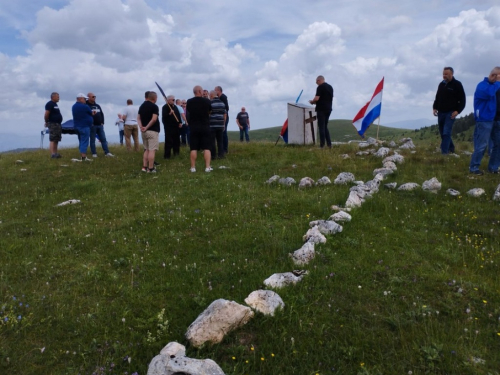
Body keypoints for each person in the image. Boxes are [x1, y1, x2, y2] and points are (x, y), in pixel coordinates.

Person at [469, 67, 500, 175]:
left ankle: (493, 168)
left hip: (496, 119)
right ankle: (473, 168)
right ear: (493, 75)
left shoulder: (496, 86)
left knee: (498, 144)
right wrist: (497, 82)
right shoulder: (482, 86)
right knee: (481, 145)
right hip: (484, 120)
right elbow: (489, 94)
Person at [432, 67, 466, 154]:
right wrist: (434, 107)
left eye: (446, 74)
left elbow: (462, 99)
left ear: (452, 74)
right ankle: (451, 148)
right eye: (443, 74)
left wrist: (458, 111)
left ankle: (444, 153)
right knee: (442, 132)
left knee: (446, 132)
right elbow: (437, 97)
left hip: (450, 113)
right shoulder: (441, 84)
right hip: (441, 112)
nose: (444, 76)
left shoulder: (457, 84)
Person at [186, 85, 213, 172]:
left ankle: (193, 167)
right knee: (207, 147)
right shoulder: (207, 101)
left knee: (193, 148)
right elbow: (210, 111)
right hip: (205, 125)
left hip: (194, 126)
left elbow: (189, 111)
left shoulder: (189, 101)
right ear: (200, 91)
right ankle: (207, 167)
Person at [138, 91, 161, 173]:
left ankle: (144, 167)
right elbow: (154, 119)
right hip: (152, 130)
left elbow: (138, 118)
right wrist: (147, 127)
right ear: (154, 98)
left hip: (144, 132)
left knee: (146, 149)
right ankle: (151, 168)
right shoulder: (154, 107)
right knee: (152, 150)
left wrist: (141, 127)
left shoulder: (142, 106)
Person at [309, 75, 333, 148]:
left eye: (316, 81)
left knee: (321, 127)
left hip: (321, 109)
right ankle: (329, 144)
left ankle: (322, 145)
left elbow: (317, 98)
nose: (316, 83)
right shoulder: (330, 87)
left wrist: (312, 102)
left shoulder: (320, 87)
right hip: (328, 108)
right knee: (325, 126)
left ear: (319, 80)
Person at [87, 92, 114, 157]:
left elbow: (101, 114)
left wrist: (102, 122)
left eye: (95, 96)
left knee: (103, 139)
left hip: (100, 125)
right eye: (92, 97)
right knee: (92, 140)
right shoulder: (87, 106)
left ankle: (107, 152)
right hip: (92, 126)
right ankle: (94, 153)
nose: (94, 98)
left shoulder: (97, 106)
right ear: (88, 97)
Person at [72, 93, 93, 161]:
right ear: (80, 99)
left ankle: (82, 154)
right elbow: (91, 113)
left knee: (81, 141)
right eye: (84, 99)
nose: (85, 100)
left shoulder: (74, 106)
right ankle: (83, 156)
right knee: (84, 141)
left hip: (77, 126)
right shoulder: (85, 106)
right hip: (84, 126)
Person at [44, 92, 63, 158]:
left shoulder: (55, 105)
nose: (58, 98)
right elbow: (47, 114)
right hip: (53, 124)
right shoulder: (50, 104)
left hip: (58, 124)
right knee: (53, 139)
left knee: (56, 139)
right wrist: (46, 121)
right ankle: (52, 154)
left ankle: (55, 153)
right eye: (57, 96)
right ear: (53, 97)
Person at [209, 90, 226, 159]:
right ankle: (221, 155)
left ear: (212, 95)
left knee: (212, 141)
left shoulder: (210, 103)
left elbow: (208, 113)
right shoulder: (222, 103)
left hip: (212, 124)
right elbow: (224, 114)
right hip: (221, 124)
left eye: (210, 95)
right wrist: (224, 123)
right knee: (220, 141)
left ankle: (213, 156)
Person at [215, 86, 229, 154]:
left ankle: (225, 149)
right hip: (221, 117)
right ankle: (223, 148)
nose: (215, 92)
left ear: (219, 91)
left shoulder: (223, 97)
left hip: (224, 116)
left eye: (215, 90)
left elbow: (226, 108)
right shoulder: (219, 98)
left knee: (224, 132)